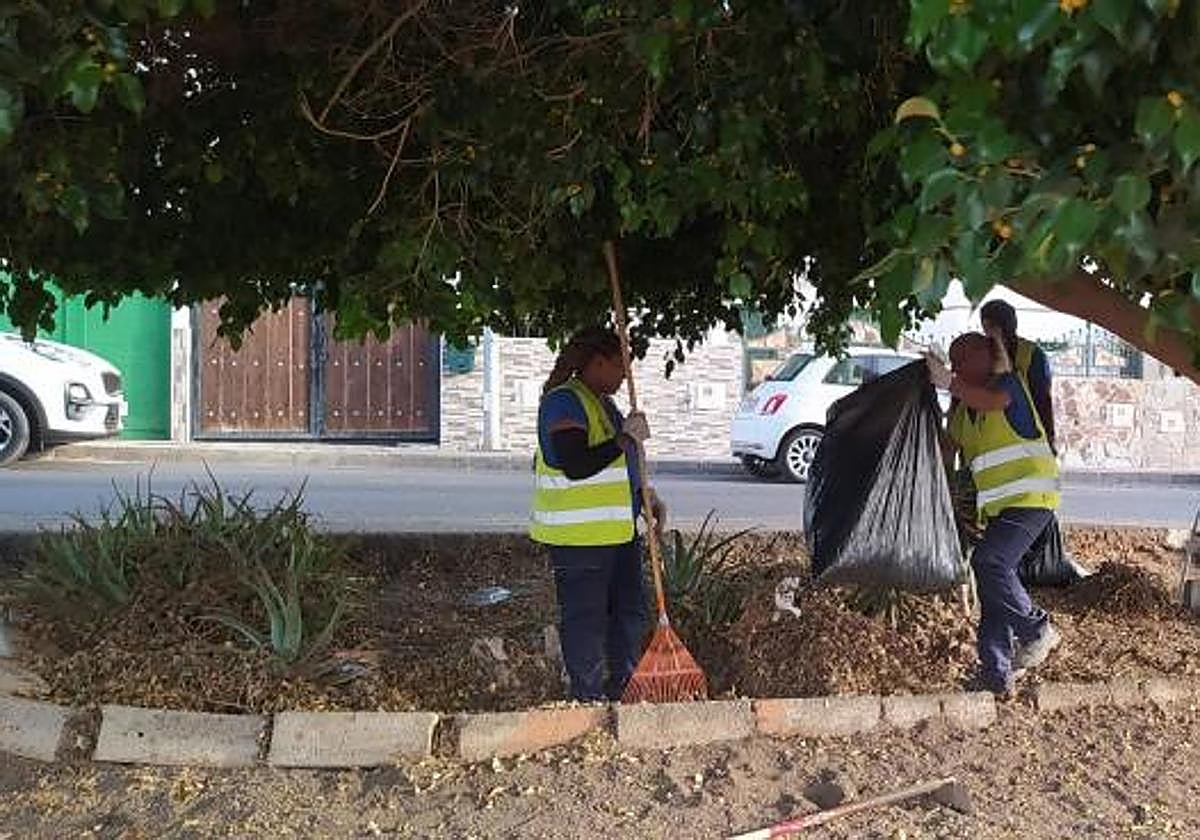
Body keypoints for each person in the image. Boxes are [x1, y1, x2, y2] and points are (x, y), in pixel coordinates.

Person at [529, 327, 666, 702]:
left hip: (617, 534)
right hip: (579, 540)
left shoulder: (604, 404)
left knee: (629, 612)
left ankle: (624, 686)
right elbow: (576, 463)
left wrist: (644, 493)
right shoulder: (564, 403)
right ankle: (588, 697)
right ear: (598, 361)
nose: (626, 375)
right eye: (622, 365)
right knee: (585, 620)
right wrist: (625, 438)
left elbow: (618, 463)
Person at [926, 331, 1062, 696]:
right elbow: (945, 453)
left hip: (1034, 497)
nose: (959, 363)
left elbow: (991, 401)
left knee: (990, 563)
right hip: (1002, 509)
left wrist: (949, 383)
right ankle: (995, 677)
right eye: (955, 358)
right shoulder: (962, 415)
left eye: (967, 354)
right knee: (992, 588)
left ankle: (1037, 631)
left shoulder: (1008, 386)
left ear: (988, 357)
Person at [980, 299, 1056, 453]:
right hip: (990, 434)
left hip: (1026, 432)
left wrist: (1049, 437)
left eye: (991, 326)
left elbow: (1042, 399)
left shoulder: (1032, 354)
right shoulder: (980, 352)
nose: (988, 332)